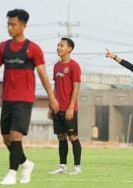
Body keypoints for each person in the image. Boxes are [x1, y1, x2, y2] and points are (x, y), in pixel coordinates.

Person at [0, 9, 59, 185]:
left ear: (23, 26)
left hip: (24, 100)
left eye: (13, 24)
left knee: (16, 136)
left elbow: (42, 74)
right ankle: (26, 163)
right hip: (7, 99)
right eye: (8, 24)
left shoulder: (33, 49)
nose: (10, 28)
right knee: (7, 138)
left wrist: (51, 97)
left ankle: (11, 173)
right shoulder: (3, 47)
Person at [48, 38, 82, 175]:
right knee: (61, 137)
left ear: (69, 49)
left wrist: (71, 107)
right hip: (57, 109)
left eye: (61, 45)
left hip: (69, 110)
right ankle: (62, 166)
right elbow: (55, 88)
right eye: (58, 45)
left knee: (73, 137)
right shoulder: (56, 66)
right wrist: (51, 106)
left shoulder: (74, 66)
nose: (58, 47)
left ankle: (77, 167)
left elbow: (76, 88)